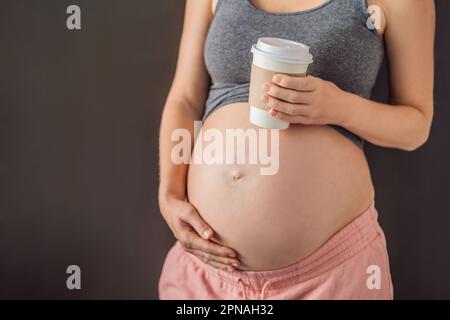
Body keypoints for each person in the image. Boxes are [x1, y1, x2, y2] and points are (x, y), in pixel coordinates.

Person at [158, 0, 435, 299]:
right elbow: (185, 99)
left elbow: (415, 126)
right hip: (205, 274)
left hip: (328, 278)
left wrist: (340, 108)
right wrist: (169, 195)